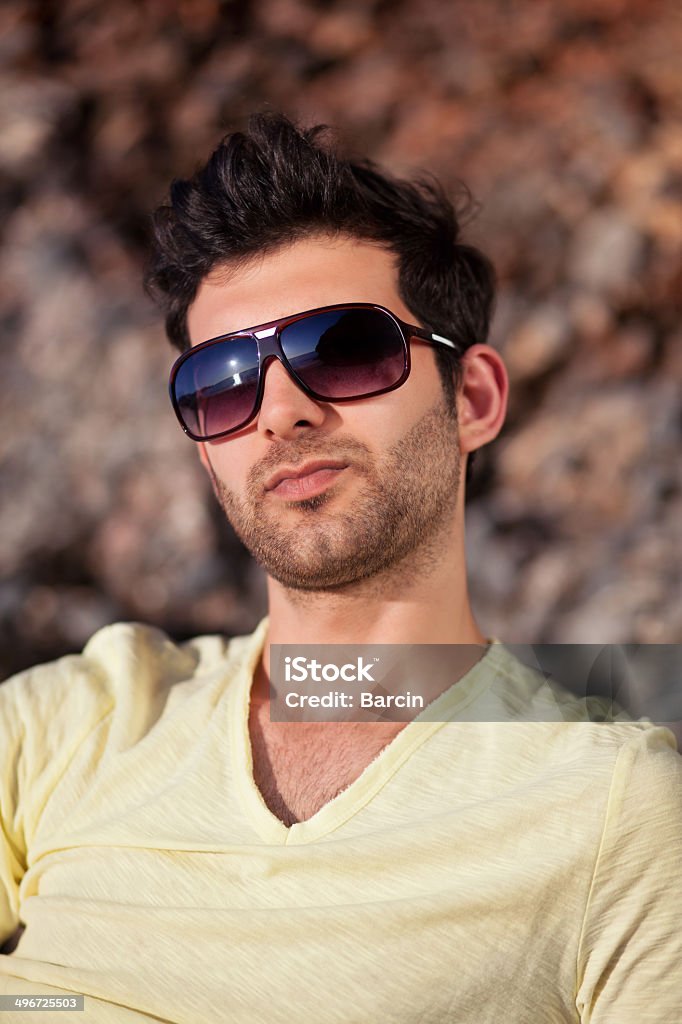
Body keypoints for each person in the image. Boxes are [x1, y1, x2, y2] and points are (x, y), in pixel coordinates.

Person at [1, 112, 680, 1023]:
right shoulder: (69, 724)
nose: (278, 412)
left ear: (472, 398)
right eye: (222, 384)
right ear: (207, 453)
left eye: (347, 350)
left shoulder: (613, 809)